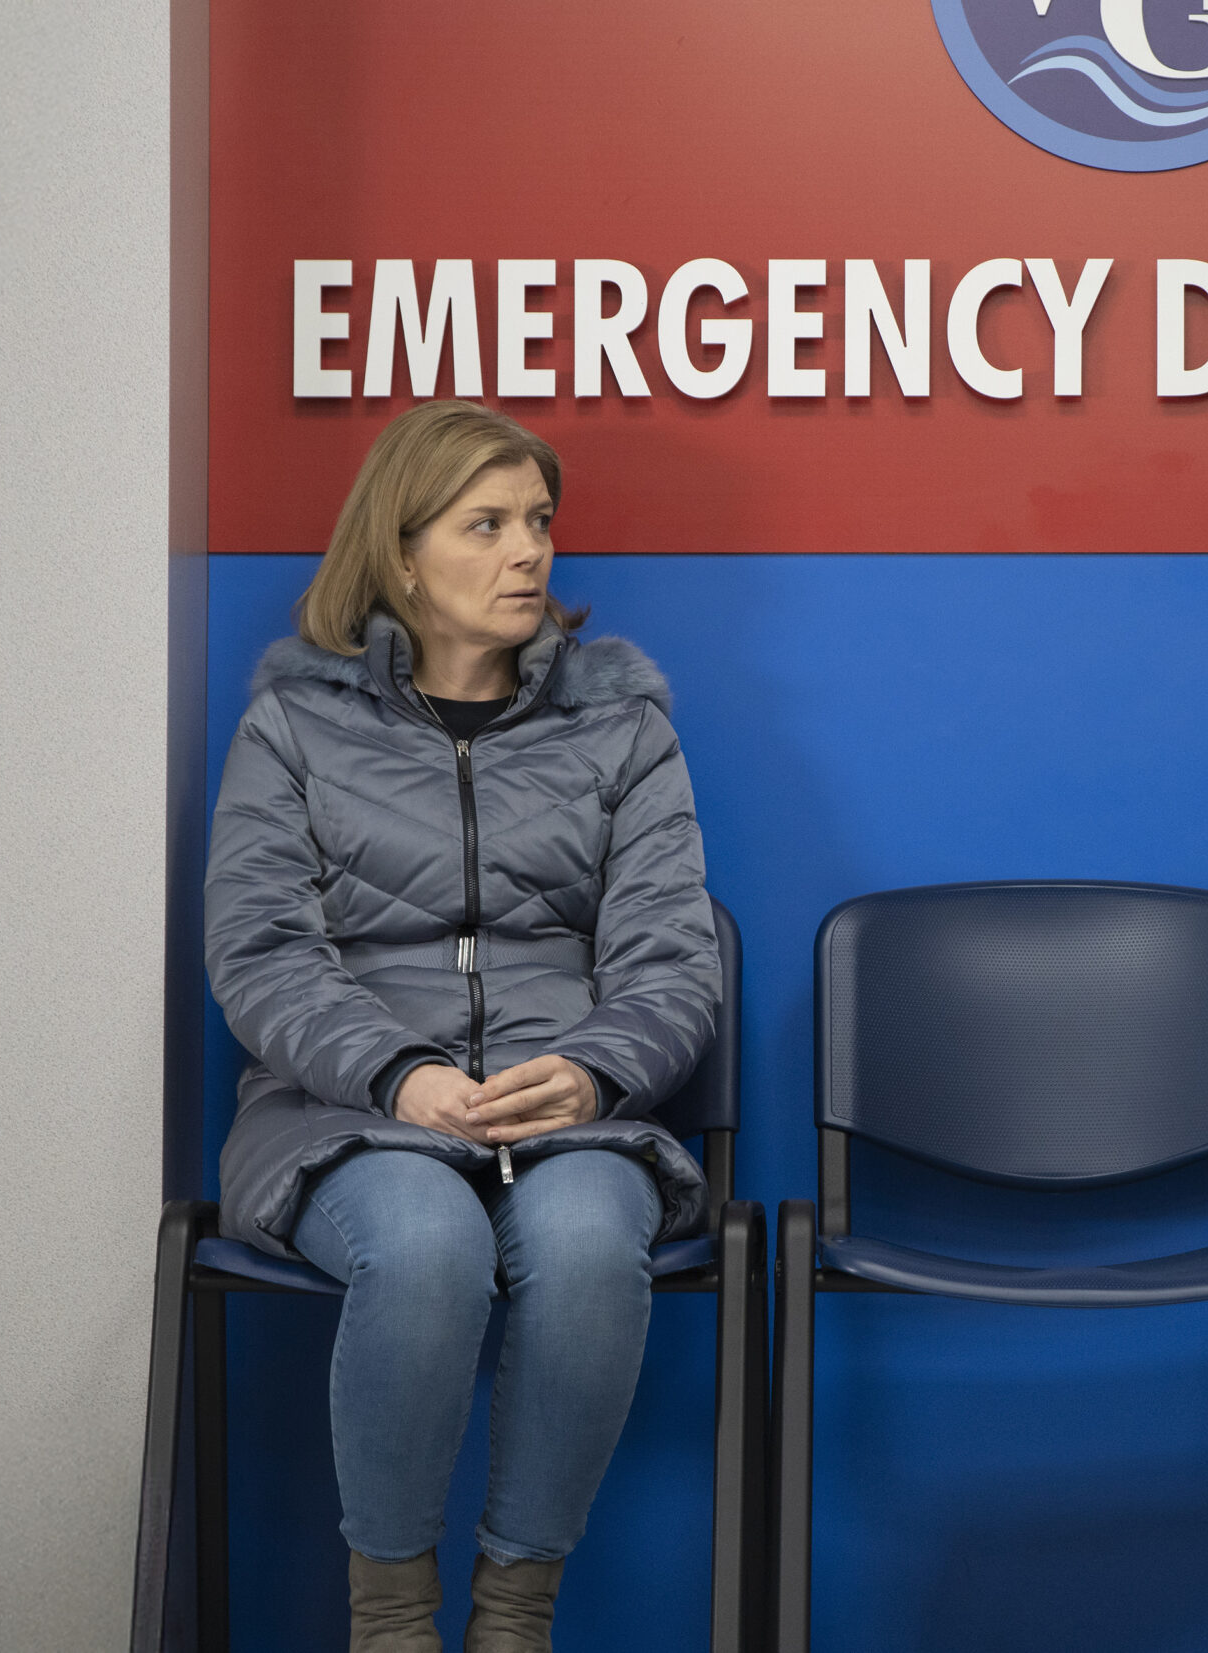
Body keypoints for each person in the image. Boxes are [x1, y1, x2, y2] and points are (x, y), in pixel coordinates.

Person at [207, 399, 723, 1652]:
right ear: (400, 554)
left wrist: (591, 1076)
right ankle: (389, 1623)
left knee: (590, 1243)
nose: (528, 551)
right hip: (345, 1111)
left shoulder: (624, 728)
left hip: (565, 1111)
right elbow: (260, 951)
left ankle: (512, 1621)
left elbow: (672, 960)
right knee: (426, 1248)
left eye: (538, 521)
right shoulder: (293, 726)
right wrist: (400, 1074)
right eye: (485, 525)